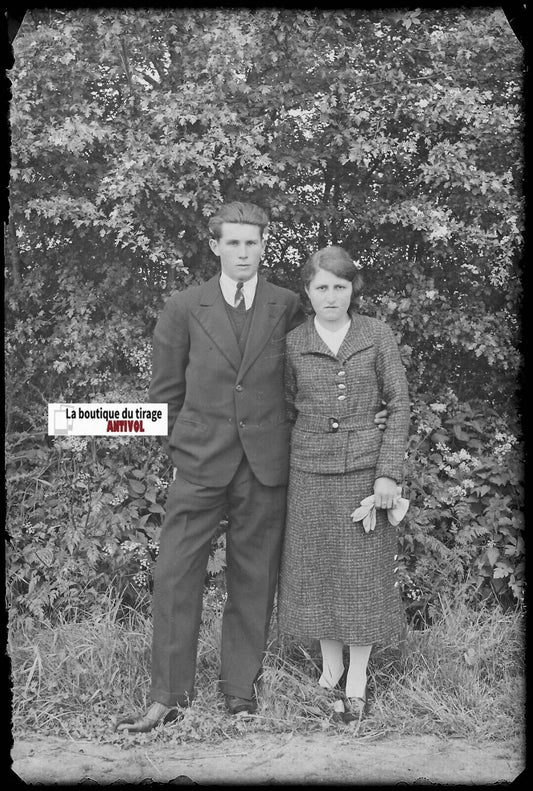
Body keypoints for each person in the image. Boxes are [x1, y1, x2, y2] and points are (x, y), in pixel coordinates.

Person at [115, 205, 388, 732]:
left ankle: (240, 693)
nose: (243, 253)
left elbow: (315, 368)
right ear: (215, 246)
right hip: (198, 467)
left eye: (253, 244)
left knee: (254, 581)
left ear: (264, 246)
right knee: (174, 577)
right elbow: (164, 397)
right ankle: (168, 696)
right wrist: (179, 457)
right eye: (233, 243)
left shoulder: (287, 305)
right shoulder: (182, 306)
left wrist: (359, 409)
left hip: (265, 467)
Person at [277, 245, 410, 723]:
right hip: (308, 472)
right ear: (307, 292)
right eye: (320, 287)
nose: (330, 296)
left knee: (361, 578)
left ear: (353, 288)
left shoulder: (376, 334)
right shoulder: (293, 342)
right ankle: (329, 674)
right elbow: (288, 406)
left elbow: (398, 405)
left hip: (364, 473)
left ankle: (357, 681)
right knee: (320, 574)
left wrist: (387, 473)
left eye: (339, 286)